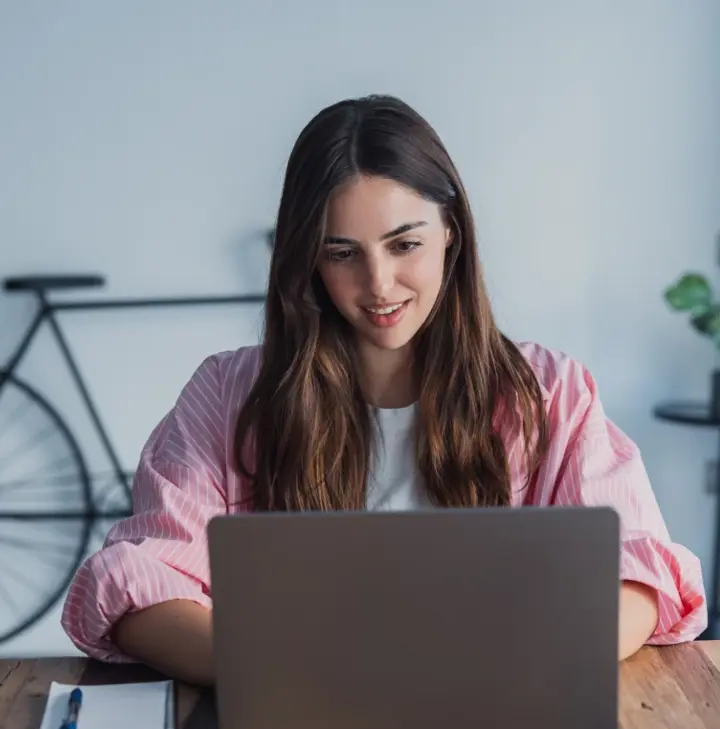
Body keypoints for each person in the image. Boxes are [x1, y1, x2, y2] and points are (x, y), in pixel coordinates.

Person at [61, 94, 707, 687]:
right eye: (341, 253)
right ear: (307, 258)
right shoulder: (227, 397)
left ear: (450, 230)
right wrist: (297, 676)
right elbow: (138, 587)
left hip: (494, 714)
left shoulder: (549, 395)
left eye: (405, 245)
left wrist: (522, 663)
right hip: (302, 725)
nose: (378, 284)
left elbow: (641, 575)